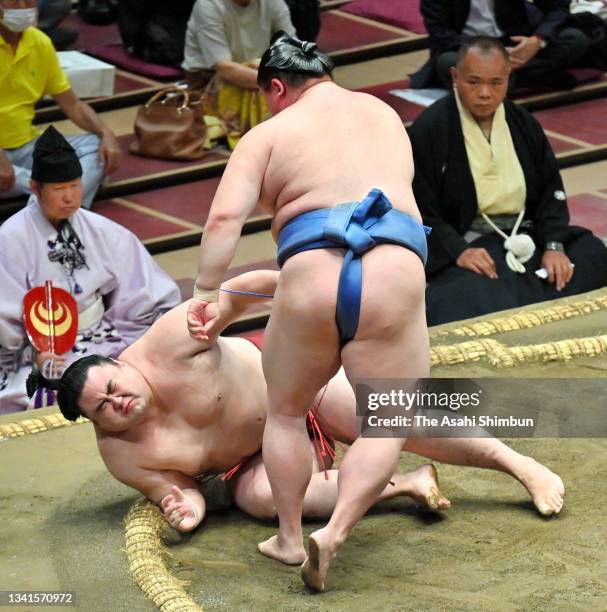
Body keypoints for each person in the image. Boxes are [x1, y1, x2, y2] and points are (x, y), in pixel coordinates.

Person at [183, 33, 556, 591]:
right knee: (388, 416)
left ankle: (289, 538)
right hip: (394, 270)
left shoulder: (267, 134)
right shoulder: (383, 113)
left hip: (311, 272)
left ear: (277, 88)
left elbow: (221, 223)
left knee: (285, 411)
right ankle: (335, 530)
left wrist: (206, 291)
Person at [28, 271, 564, 541]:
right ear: (97, 424)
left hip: (293, 388)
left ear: (122, 362)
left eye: (114, 386)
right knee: (261, 502)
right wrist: (182, 507)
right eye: (104, 408)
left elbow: (239, 290)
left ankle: (518, 464)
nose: (118, 402)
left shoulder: (170, 339)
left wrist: (299, 288)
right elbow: (178, 489)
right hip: (250, 460)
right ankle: (404, 485)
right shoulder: (123, 454)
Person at [407, 37, 607, 325]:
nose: (485, 93)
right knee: (468, 294)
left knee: (592, 254)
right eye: (474, 82)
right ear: (455, 76)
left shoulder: (522, 122)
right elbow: (420, 207)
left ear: (508, 79)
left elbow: (552, 190)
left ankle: (527, 298)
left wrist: (553, 245)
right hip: (471, 240)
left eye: (495, 83)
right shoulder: (431, 129)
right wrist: (458, 251)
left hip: (527, 233)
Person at [0, 126, 180, 413]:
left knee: (154, 367)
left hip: (104, 338)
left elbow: (145, 292)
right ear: (35, 188)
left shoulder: (101, 229)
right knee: (29, 393)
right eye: (59, 189)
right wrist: (35, 350)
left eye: (75, 186)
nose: (70, 197)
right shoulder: (9, 238)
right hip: (39, 352)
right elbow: (4, 317)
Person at [0, 0, 121, 209]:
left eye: (27, 0)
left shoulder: (40, 43)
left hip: (27, 147)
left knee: (95, 146)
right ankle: (62, 199)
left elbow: (73, 104)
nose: (23, 6)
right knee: (68, 182)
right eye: (13, 1)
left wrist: (105, 132)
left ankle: (48, 202)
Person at [181, 0, 295, 148]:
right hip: (209, 81)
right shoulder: (207, 5)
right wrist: (279, 83)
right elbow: (225, 69)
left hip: (260, 75)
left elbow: (293, 51)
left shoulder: (273, 3)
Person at [412, 0, 590, 90]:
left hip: (513, 41)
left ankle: (501, 78)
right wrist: (489, 54)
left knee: (575, 39)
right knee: (447, 62)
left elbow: (557, 7)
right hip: (468, 48)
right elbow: (439, 33)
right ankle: (515, 78)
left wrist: (537, 40)